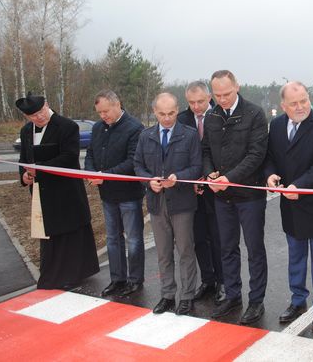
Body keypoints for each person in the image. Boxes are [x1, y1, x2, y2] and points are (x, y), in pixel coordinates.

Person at [265, 82, 313, 331]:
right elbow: (270, 158)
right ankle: (298, 301)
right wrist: (271, 175)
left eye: (304, 100)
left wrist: (298, 185)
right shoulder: (275, 126)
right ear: (283, 106)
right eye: (294, 103)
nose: (300, 107)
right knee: (295, 256)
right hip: (290, 204)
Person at [202, 70, 269, 325]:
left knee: (254, 249)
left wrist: (229, 178)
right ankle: (232, 294)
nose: (223, 99)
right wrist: (209, 174)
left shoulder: (254, 114)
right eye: (217, 95)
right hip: (221, 196)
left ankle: (256, 301)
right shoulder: (212, 115)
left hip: (249, 194)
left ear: (237, 87)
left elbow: (256, 154)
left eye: (227, 93)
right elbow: (205, 149)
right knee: (227, 247)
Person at [16, 93, 99, 289]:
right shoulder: (26, 131)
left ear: (47, 105)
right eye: (33, 116)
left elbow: (69, 158)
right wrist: (24, 175)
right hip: (42, 193)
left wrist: (40, 169)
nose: (39, 117)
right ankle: (52, 275)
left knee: (70, 235)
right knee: (49, 236)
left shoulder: (67, 126)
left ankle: (72, 275)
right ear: (27, 117)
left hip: (66, 192)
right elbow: (24, 158)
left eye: (41, 112)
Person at [133, 92, 201, 316]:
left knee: (185, 250)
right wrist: (148, 181)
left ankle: (187, 296)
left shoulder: (189, 135)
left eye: (171, 113)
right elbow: (138, 165)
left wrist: (178, 177)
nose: (167, 118)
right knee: (163, 252)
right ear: (154, 112)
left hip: (182, 203)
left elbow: (196, 166)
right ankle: (167, 295)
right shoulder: (146, 136)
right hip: (156, 202)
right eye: (162, 114)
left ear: (177, 109)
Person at [85, 90, 145, 298]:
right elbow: (91, 153)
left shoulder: (135, 128)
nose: (103, 116)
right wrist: (91, 172)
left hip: (129, 194)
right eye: (100, 112)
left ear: (117, 104)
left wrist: (105, 175)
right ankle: (117, 279)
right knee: (112, 238)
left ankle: (135, 280)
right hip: (107, 193)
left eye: (106, 111)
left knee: (134, 239)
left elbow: (132, 162)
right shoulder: (98, 128)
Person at [177, 81, 225, 305]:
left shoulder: (219, 115)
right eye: (191, 102)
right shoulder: (183, 120)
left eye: (200, 101)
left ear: (209, 98)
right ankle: (208, 280)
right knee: (198, 238)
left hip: (217, 187)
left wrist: (212, 176)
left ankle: (223, 281)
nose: (196, 107)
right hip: (191, 190)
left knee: (218, 237)